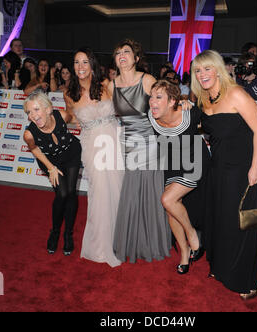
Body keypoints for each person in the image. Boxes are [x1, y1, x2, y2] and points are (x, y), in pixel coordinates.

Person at [191, 50, 257, 300]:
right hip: (218, 167)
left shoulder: (236, 94)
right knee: (220, 219)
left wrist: (255, 168)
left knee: (242, 224)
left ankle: (247, 280)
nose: (203, 75)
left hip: (243, 168)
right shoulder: (202, 99)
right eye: (198, 71)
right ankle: (222, 268)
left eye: (207, 69)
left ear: (218, 69)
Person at [107, 38, 171, 263]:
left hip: (149, 142)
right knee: (133, 191)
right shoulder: (110, 85)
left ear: (136, 58)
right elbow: (108, 114)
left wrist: (184, 105)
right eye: (117, 52)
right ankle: (134, 241)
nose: (122, 55)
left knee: (149, 191)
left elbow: (165, 106)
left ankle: (148, 242)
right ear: (115, 59)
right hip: (127, 142)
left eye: (126, 51)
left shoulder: (147, 80)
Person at [64, 47, 124, 268]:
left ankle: (121, 240)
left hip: (114, 140)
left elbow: (124, 108)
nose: (80, 67)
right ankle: (101, 245)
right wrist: (61, 118)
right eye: (76, 62)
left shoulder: (107, 85)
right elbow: (71, 116)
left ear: (92, 65)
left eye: (84, 62)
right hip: (91, 145)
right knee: (99, 193)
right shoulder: (69, 93)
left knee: (118, 189)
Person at [149, 79, 211, 274]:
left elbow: (216, 125)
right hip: (172, 163)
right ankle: (184, 253)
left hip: (195, 161)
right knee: (170, 208)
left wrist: (189, 102)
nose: (152, 101)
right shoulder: (150, 117)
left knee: (167, 199)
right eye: (151, 97)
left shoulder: (189, 113)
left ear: (172, 101)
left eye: (159, 97)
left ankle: (192, 235)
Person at [23, 91, 81, 255]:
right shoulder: (29, 133)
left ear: (48, 109)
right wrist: (50, 167)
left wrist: (78, 121)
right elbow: (34, 149)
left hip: (71, 154)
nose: (33, 115)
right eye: (29, 112)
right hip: (50, 161)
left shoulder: (61, 115)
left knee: (71, 193)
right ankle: (55, 232)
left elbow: (71, 116)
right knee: (61, 194)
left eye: (36, 109)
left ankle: (68, 234)